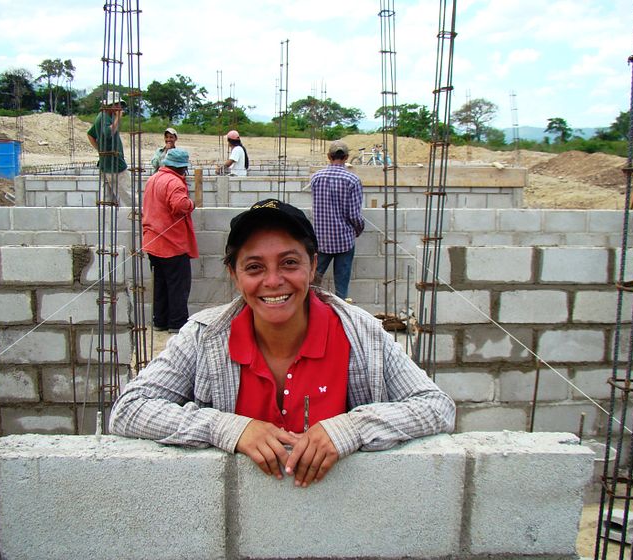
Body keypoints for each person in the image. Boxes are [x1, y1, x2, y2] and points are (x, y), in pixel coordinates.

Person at [110, 198, 455, 488]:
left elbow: (436, 406)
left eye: (289, 263)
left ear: (313, 265)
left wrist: (351, 428)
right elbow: (129, 409)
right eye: (255, 267)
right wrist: (228, 427)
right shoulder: (204, 337)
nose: (273, 281)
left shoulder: (360, 333)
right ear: (234, 274)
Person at [142, 148, 198, 333]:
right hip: (171, 244)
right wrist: (192, 204)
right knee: (178, 286)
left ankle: (160, 321)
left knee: (160, 285)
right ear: (181, 167)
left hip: (153, 242)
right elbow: (180, 205)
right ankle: (176, 324)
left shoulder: (153, 178)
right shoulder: (174, 182)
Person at [310, 140, 365, 300]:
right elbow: (354, 215)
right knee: (341, 286)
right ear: (346, 157)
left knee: (312, 282)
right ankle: (341, 315)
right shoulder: (352, 180)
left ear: (329, 156)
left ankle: (309, 311)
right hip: (344, 240)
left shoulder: (316, 178)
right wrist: (358, 229)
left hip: (320, 240)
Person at [87, 91, 133, 206]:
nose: (119, 107)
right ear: (109, 105)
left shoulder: (106, 116)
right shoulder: (103, 118)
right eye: (116, 104)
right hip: (114, 165)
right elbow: (108, 133)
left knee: (108, 200)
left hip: (106, 164)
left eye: (120, 104)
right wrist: (118, 118)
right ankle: (138, 220)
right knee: (129, 197)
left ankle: (109, 223)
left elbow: (90, 134)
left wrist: (100, 151)